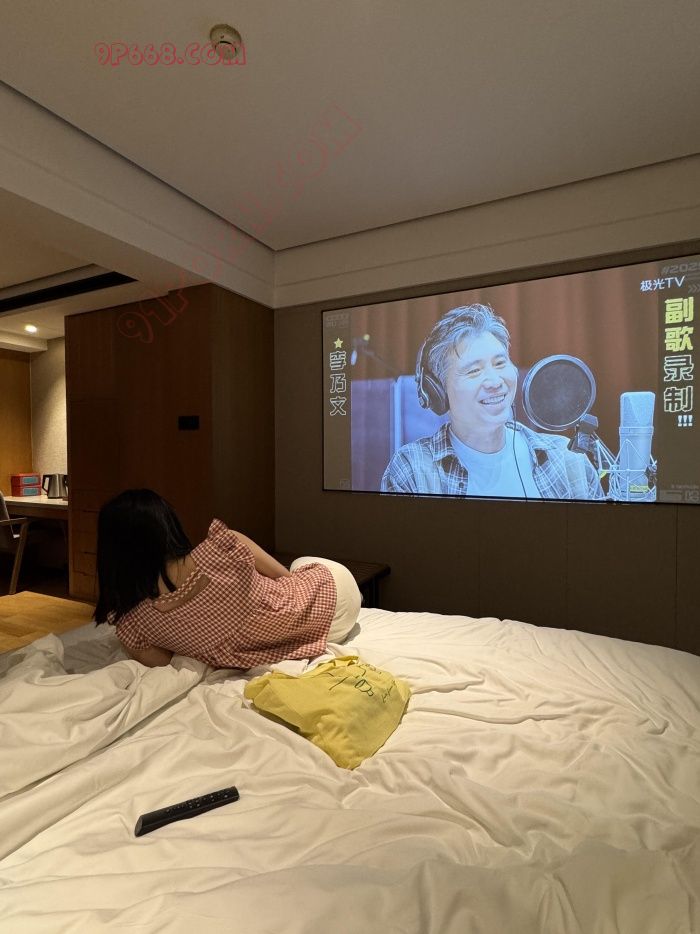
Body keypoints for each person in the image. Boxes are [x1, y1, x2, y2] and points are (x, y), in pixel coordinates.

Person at [94, 489, 361, 669]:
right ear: (167, 525)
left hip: (321, 634)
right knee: (299, 566)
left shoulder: (132, 626)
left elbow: (166, 662)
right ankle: (357, 596)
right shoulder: (221, 547)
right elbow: (286, 578)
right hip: (332, 602)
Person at [381, 304, 604, 500]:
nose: (495, 382)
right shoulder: (412, 469)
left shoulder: (568, 460)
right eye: (474, 371)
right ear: (438, 391)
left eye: (500, 363)